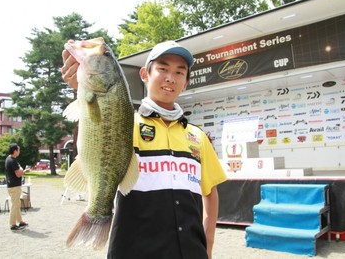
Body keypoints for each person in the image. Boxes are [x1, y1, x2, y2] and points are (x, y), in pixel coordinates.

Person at [61, 40, 227, 259]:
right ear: (144, 74)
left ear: (186, 82)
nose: (170, 78)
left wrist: (208, 244)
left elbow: (210, 193)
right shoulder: (125, 124)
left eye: (180, 72)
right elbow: (100, 123)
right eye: (163, 68)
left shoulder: (198, 137)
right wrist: (81, 82)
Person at [5, 143, 29, 231]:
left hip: (13, 185)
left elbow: (19, 170)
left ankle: (20, 221)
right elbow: (18, 174)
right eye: (18, 150)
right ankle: (13, 224)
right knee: (15, 205)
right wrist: (24, 171)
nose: (19, 152)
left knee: (17, 203)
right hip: (14, 186)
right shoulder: (12, 161)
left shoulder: (10, 159)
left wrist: (22, 170)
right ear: (15, 151)